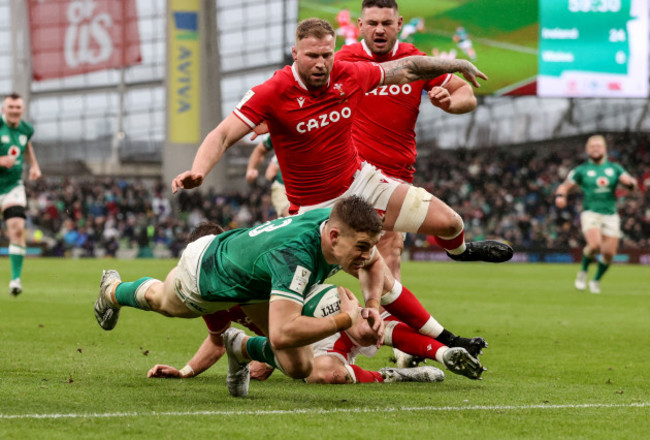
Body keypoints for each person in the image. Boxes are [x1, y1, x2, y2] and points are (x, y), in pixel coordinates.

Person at [171, 19, 512, 314]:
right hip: (314, 211)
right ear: (295, 54)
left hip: (361, 182)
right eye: (312, 56)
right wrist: (199, 170)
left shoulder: (349, 74)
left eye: (326, 55)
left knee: (451, 223)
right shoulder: (272, 91)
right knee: (381, 288)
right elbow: (222, 134)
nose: (321, 63)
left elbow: (408, 68)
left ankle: (461, 252)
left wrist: (453, 65)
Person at [337, 0, 483, 280]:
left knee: (390, 248)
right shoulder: (343, 61)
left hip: (396, 176)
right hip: (351, 175)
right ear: (360, 26)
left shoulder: (413, 58)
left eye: (386, 23)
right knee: (341, 253)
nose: (379, 30)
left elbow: (466, 93)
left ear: (399, 25)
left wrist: (450, 102)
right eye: (373, 23)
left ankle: (385, 320)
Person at [148, 283, 485, 386]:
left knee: (366, 326)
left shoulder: (250, 270)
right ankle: (396, 375)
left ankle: (441, 351)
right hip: (306, 344)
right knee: (325, 376)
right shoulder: (214, 299)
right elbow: (216, 340)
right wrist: (186, 371)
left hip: (319, 309)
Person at [555, 135, 638, 294]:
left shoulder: (615, 168)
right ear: (587, 150)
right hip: (590, 212)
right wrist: (560, 196)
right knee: (594, 245)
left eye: (598, 146)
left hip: (611, 214)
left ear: (605, 149)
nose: (595, 148)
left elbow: (632, 184)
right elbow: (564, 186)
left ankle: (596, 280)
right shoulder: (582, 169)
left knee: (608, 254)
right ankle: (583, 272)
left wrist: (631, 184)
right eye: (592, 146)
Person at [0, 93, 42, 296]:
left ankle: (15, 279)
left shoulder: (26, 129)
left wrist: (34, 165)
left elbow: (27, 146)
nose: (15, 111)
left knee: (16, 228)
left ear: (22, 110)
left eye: (18, 107)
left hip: (12, 187)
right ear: (3, 109)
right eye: (11, 107)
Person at [245, 135, 290, 217]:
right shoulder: (278, 130)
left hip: (311, 186)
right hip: (283, 187)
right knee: (292, 215)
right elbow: (260, 150)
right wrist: (251, 169)